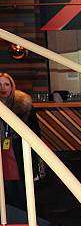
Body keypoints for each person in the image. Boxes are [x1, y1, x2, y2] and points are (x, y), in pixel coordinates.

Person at [0, 73, 41, 209]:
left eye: (6, 84)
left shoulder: (23, 104)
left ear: (12, 86)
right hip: (1, 152)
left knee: (23, 191)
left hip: (21, 152)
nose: (3, 87)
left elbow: (35, 134)